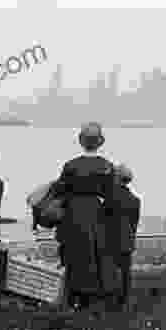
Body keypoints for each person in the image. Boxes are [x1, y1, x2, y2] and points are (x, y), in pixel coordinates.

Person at [49, 122, 118, 310]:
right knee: (96, 254)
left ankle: (73, 298)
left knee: (73, 254)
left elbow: (59, 192)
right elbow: (112, 197)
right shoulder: (107, 166)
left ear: (81, 141)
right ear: (100, 142)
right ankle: (92, 299)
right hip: (96, 213)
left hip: (73, 213)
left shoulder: (70, 165)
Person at [104, 164, 141, 309]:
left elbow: (103, 220)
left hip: (110, 242)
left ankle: (110, 304)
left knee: (110, 274)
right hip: (127, 242)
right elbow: (134, 223)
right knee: (125, 274)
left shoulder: (111, 198)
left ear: (117, 178)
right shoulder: (135, 200)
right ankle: (123, 304)